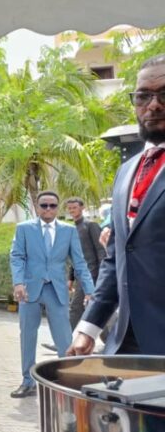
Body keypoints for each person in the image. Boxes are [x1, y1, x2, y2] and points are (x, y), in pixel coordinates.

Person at [69, 54, 165, 357]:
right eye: (143, 95)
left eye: (164, 94)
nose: (153, 105)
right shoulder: (127, 171)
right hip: (127, 344)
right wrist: (89, 328)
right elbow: (117, 258)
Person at [9, 191, 95, 398]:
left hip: (56, 290)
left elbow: (79, 262)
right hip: (29, 290)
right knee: (27, 336)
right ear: (37, 207)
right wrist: (18, 282)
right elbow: (17, 256)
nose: (48, 209)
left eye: (52, 205)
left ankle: (67, 383)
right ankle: (27, 381)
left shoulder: (68, 231)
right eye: (44, 205)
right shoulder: (24, 229)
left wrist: (91, 291)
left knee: (64, 338)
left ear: (58, 208)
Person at [64, 197, 106, 330]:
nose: (72, 210)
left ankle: (65, 340)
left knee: (77, 306)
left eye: (74, 207)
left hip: (92, 273)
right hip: (80, 275)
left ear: (82, 208)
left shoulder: (90, 225)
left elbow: (101, 251)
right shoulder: (71, 229)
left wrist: (102, 274)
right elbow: (75, 256)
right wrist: (70, 278)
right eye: (70, 208)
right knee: (91, 307)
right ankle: (110, 341)